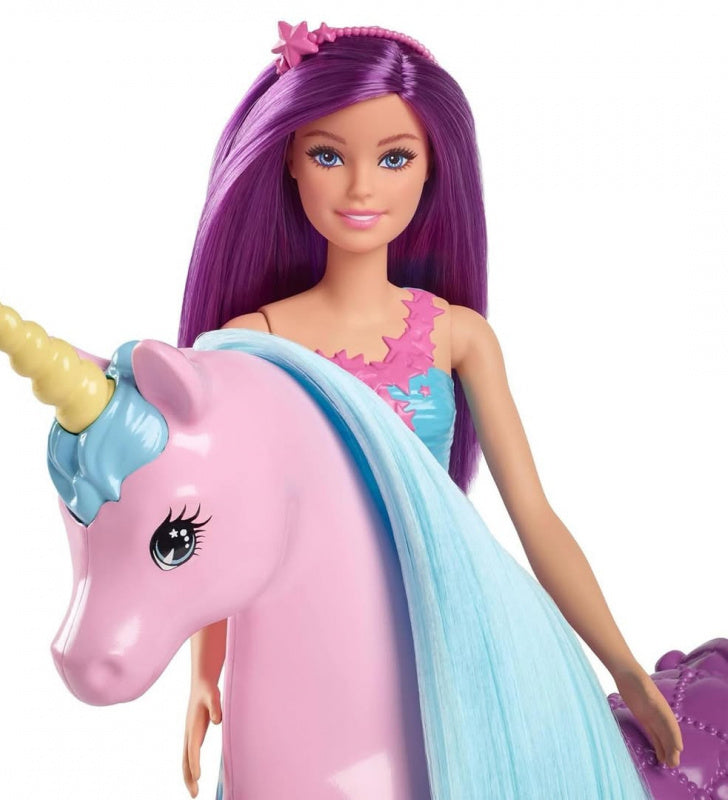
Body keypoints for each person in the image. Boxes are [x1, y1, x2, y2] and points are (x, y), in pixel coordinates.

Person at [177, 21, 682, 799]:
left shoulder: (456, 336)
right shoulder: (254, 342)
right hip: (309, 644)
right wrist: (204, 674)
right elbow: (227, 521)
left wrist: (623, 666)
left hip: (449, 628)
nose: (361, 189)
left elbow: (533, 515)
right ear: (289, 158)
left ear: (432, 167)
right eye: (329, 155)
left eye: (394, 158)